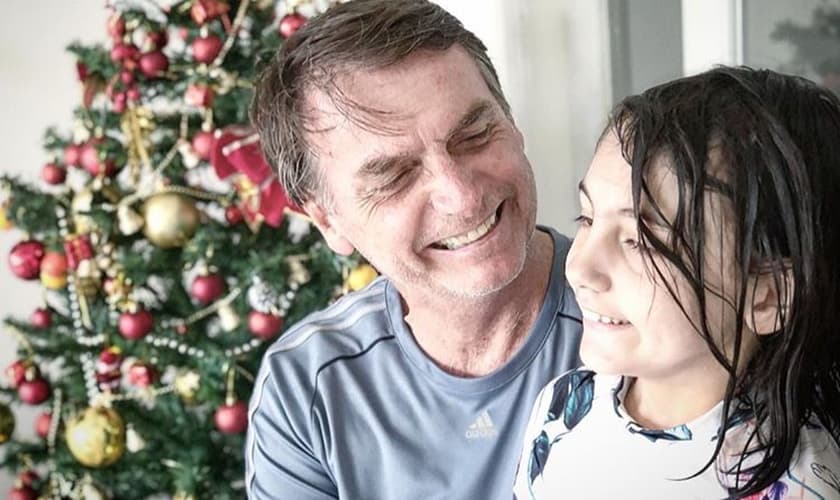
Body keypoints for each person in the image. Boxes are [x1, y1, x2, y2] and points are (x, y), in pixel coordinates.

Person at [245, 1, 582, 498]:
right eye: (395, 176)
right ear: (325, 219)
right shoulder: (306, 386)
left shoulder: (659, 314)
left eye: (474, 134)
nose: (462, 196)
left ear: (513, 125)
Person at [515, 66, 840, 499]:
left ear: (768, 296)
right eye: (587, 218)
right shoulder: (563, 407)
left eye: (640, 241)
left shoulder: (797, 486)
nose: (579, 267)